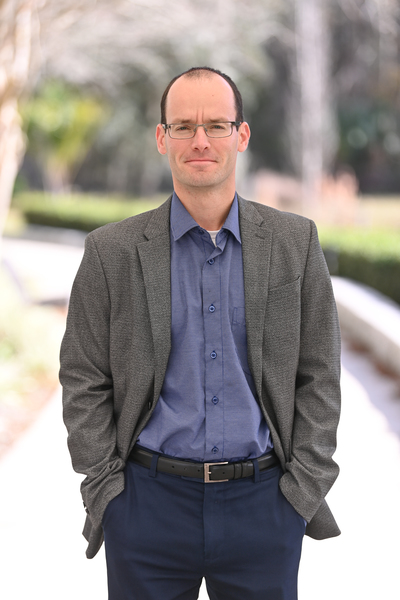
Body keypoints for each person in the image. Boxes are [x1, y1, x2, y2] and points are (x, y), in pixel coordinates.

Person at [60, 66, 341, 600]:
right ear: (162, 138)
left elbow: (320, 372)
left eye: (216, 124)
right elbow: (82, 376)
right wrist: (106, 491)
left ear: (242, 134)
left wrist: (301, 490)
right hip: (146, 508)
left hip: (264, 507)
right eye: (184, 126)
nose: (201, 140)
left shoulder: (294, 243)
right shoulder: (110, 252)